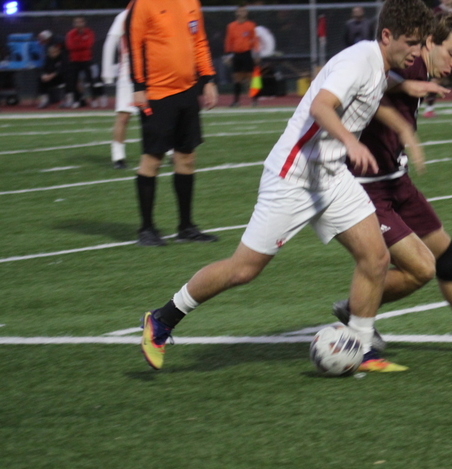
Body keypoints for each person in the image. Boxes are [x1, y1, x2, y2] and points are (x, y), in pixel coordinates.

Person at [139, 0, 433, 372]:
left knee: (375, 257)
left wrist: (409, 83)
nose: (416, 51)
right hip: (293, 177)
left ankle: (361, 349)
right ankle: (162, 320)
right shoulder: (358, 61)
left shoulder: (379, 64)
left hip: (331, 176)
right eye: (411, 42)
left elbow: (380, 83)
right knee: (243, 269)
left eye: (421, 43)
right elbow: (321, 107)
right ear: (387, 35)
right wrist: (351, 141)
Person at [332, 11, 452, 362]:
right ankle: (357, 308)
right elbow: (366, 86)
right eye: (451, 53)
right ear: (428, 42)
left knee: (448, 258)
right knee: (420, 269)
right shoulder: (407, 64)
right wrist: (404, 97)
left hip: (395, 180)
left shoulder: (420, 66)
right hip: (362, 185)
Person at [127, 0, 219, 247]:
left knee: (186, 158)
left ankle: (186, 227)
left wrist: (208, 78)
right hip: (156, 93)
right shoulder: (143, 4)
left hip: (187, 91)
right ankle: (146, 229)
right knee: (152, 158)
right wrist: (138, 86)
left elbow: (199, 40)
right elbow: (133, 45)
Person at [102, 9, 138, 170]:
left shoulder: (157, 11)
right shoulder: (125, 16)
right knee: (124, 116)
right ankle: (118, 157)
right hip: (128, 74)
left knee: (161, 113)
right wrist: (107, 72)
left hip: (153, 73)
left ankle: (169, 151)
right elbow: (110, 42)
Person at [224, 5, 259, 107]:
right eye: (239, 11)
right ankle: (236, 101)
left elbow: (254, 40)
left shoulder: (250, 25)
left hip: (247, 54)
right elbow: (229, 41)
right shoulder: (231, 26)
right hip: (236, 54)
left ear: (246, 13)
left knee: (250, 79)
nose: (241, 13)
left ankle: (254, 100)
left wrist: (256, 53)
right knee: (236, 78)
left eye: (243, 11)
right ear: (236, 13)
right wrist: (228, 55)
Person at [64, 16, 96, 108]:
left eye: (80, 22)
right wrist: (81, 43)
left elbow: (89, 44)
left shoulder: (89, 32)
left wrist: (78, 43)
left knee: (90, 81)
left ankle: (93, 99)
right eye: (76, 22)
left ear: (84, 23)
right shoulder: (70, 34)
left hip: (86, 60)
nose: (78, 24)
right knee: (73, 82)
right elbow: (70, 46)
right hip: (74, 60)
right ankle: (77, 100)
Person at [37, 44, 66, 108]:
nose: (53, 54)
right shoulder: (48, 59)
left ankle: (64, 101)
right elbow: (43, 69)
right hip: (50, 79)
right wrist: (43, 75)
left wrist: (51, 76)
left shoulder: (62, 58)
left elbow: (61, 70)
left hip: (60, 78)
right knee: (41, 80)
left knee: (67, 79)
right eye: (51, 52)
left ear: (58, 52)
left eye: (54, 52)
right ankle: (44, 100)